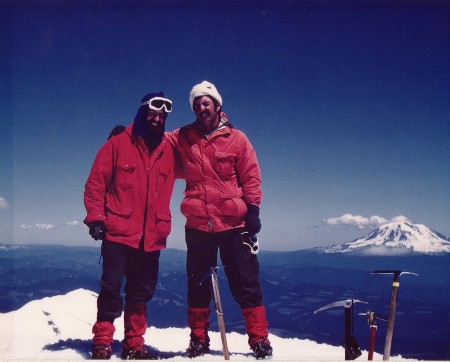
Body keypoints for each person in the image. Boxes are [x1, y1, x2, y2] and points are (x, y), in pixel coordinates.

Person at [167, 81, 273, 359]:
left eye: (206, 102)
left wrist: (253, 210)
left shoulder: (238, 139)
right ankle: (199, 340)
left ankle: (259, 339)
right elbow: (154, 137)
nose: (201, 107)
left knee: (246, 282)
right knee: (197, 284)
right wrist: (127, 134)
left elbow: (251, 177)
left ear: (217, 106)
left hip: (233, 224)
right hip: (198, 224)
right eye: (197, 104)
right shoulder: (182, 137)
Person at [84, 92, 177, 360]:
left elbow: (197, 157)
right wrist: (96, 218)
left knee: (140, 291)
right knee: (111, 288)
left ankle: (134, 345)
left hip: (151, 236)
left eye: (162, 116)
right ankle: (102, 342)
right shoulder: (117, 144)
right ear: (141, 112)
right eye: (153, 113)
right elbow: (95, 184)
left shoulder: (169, 150)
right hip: (118, 233)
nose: (158, 119)